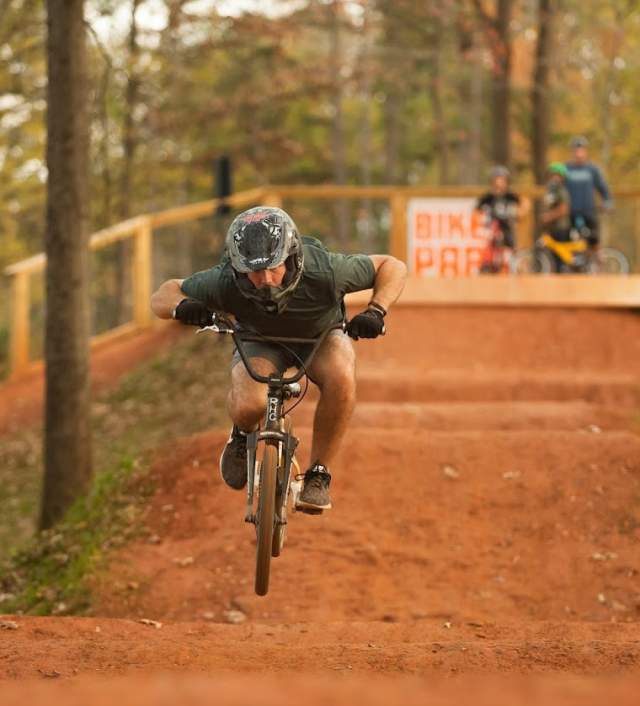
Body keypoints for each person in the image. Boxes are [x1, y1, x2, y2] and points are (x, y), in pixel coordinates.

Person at [150, 206, 407, 512]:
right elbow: (163, 295)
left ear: (292, 256)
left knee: (342, 376)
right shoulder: (224, 281)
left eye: (274, 267)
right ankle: (241, 433)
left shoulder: (325, 270)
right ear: (237, 266)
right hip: (259, 342)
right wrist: (182, 306)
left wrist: (376, 310)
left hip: (319, 338)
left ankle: (318, 474)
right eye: (254, 271)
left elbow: (392, 266)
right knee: (249, 405)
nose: (266, 278)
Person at [565, 136, 613, 246]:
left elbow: (603, 188)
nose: (578, 153)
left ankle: (599, 261)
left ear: (586, 151)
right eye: (575, 150)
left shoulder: (592, 169)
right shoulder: (566, 169)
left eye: (581, 149)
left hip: (589, 212)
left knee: (594, 241)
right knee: (571, 241)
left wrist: (608, 202)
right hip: (570, 214)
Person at [475, 166, 523, 249]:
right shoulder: (488, 197)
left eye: (502, 180)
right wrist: (482, 218)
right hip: (491, 227)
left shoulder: (510, 196)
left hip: (507, 226)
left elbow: (523, 204)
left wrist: (519, 213)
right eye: (497, 179)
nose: (500, 183)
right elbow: (477, 210)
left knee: (512, 245)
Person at [541, 162, 571, 243]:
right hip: (550, 228)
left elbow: (564, 209)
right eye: (552, 175)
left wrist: (549, 216)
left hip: (560, 228)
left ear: (562, 177)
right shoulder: (550, 190)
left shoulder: (561, 191)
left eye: (557, 175)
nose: (554, 178)